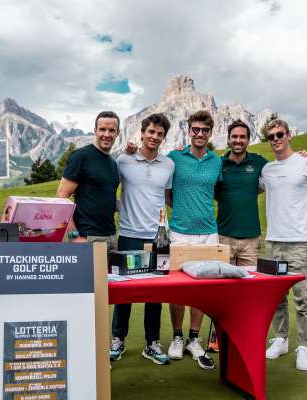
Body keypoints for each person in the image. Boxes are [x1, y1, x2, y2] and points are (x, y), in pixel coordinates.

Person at [260, 119, 307, 371]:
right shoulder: (266, 170)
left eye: (280, 134)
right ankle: (280, 339)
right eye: (271, 136)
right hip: (274, 242)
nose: (276, 139)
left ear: (289, 135)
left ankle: (303, 346)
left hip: (300, 241)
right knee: (276, 297)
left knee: (303, 298)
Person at [109, 113, 175, 366]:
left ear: (163, 137)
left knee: (154, 293)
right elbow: (108, 189)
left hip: (158, 237)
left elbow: (166, 196)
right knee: (124, 291)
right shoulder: (123, 159)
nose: (155, 137)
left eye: (159, 134)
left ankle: (152, 343)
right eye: (151, 132)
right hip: (127, 234)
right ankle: (118, 339)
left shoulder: (169, 165)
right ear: (142, 132)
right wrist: (119, 206)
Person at [165, 110, 222, 370]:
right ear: (189, 131)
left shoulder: (216, 161)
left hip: (209, 232)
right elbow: (167, 193)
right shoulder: (175, 157)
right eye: (196, 129)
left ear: (210, 133)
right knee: (178, 288)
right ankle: (177, 336)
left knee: (202, 289)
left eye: (205, 130)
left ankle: (194, 339)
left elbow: (217, 189)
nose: (200, 134)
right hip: (179, 231)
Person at [56, 111, 120, 251]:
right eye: (102, 129)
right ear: (95, 131)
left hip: (110, 238)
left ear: (117, 133)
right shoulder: (81, 157)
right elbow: (61, 198)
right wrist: (74, 237)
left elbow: (106, 198)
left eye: (111, 130)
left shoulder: (113, 164)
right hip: (86, 238)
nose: (107, 134)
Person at [216, 119, 268, 268]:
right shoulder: (219, 163)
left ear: (248, 140)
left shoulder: (259, 162)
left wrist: (301, 156)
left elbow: (280, 169)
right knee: (223, 286)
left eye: (242, 137)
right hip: (223, 237)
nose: (238, 140)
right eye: (234, 136)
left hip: (251, 239)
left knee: (250, 285)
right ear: (228, 139)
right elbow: (212, 191)